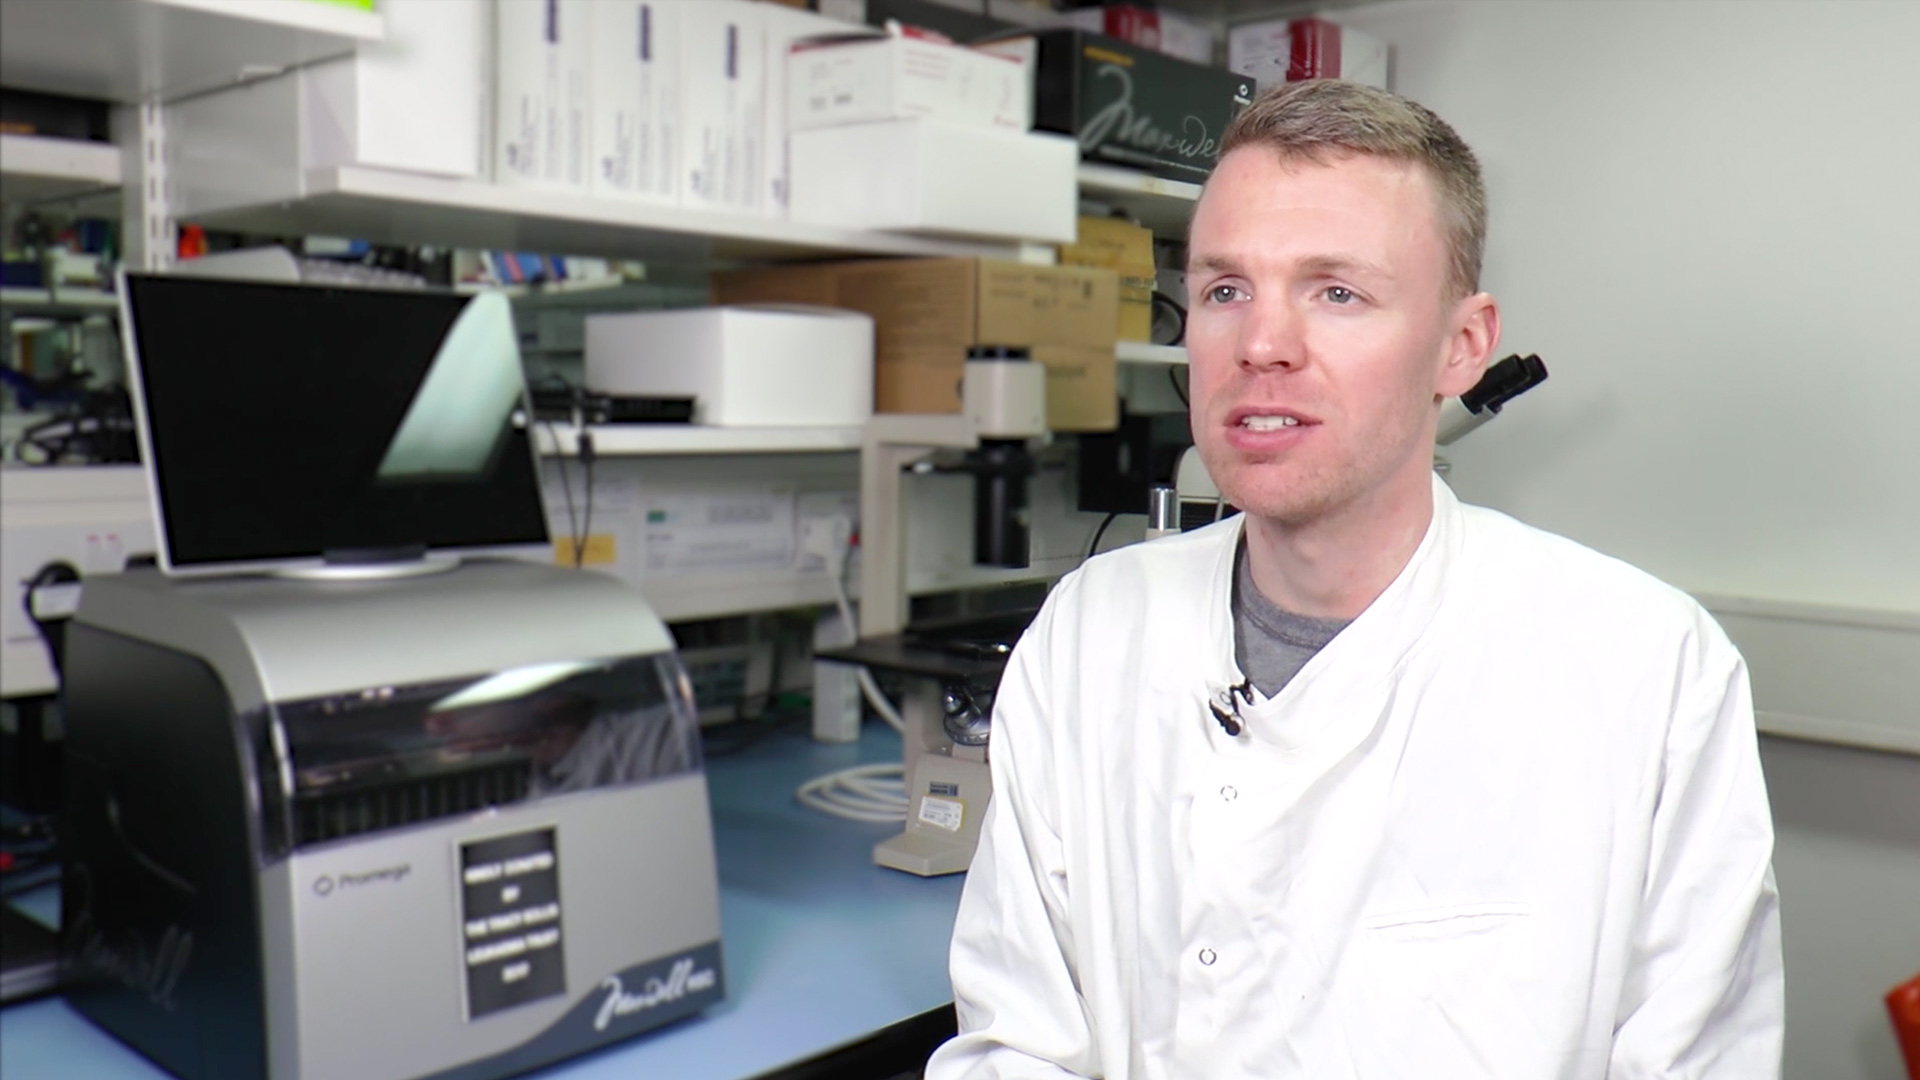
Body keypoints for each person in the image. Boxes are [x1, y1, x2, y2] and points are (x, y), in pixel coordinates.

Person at [925, 79, 1783, 1079]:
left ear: (1462, 346)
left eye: (1336, 292)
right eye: (1225, 290)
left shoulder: (1647, 671)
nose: (1262, 346)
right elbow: (1015, 1041)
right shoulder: (1089, 632)